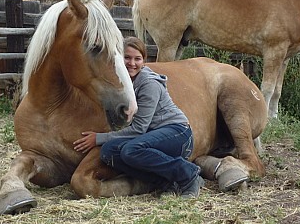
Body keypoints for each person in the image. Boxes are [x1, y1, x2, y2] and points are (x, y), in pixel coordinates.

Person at [73, 36, 204, 198]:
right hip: (151, 137)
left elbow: (139, 129)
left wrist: (98, 138)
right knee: (108, 152)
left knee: (131, 150)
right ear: (119, 59)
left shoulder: (149, 84)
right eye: (127, 58)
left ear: (144, 61)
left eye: (137, 59)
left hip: (177, 133)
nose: (132, 63)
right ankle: (166, 182)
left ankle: (189, 175)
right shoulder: (122, 83)